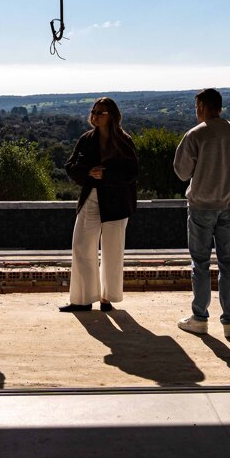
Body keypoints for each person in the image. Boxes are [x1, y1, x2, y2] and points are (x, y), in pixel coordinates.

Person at [172, 88, 230, 338]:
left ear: (203, 107)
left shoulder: (196, 135)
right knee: (228, 263)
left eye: (197, 107)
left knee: (200, 263)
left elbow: (182, 172)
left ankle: (199, 317)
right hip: (229, 205)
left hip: (201, 206)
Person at [59, 97, 138, 313]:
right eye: (93, 111)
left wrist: (106, 174)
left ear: (111, 116)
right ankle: (82, 299)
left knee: (113, 251)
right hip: (91, 197)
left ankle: (106, 298)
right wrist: (88, 172)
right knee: (81, 246)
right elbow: (70, 166)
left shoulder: (124, 141)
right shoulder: (86, 139)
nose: (94, 115)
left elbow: (132, 172)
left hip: (117, 200)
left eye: (100, 112)